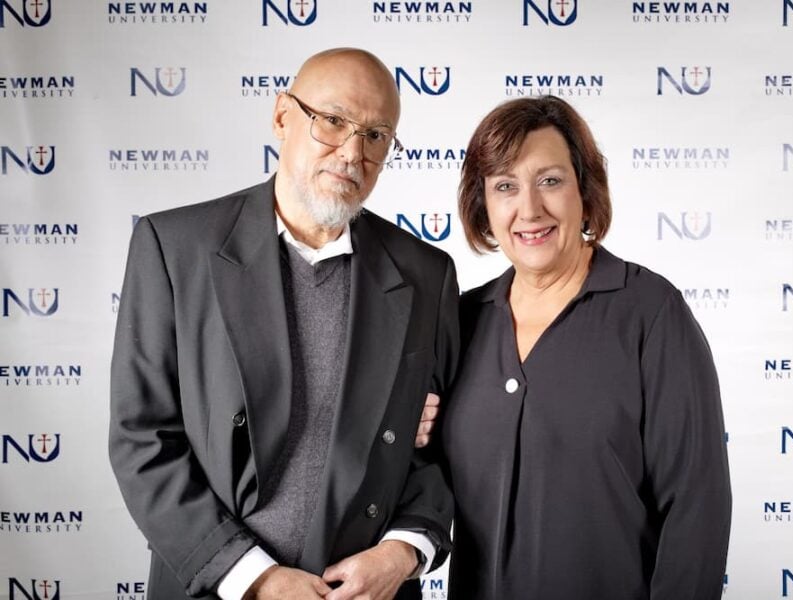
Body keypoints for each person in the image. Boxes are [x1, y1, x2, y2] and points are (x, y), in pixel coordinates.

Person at [109, 48, 458, 600]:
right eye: (333, 121)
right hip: (217, 586)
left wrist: (401, 552)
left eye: (375, 136)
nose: (352, 152)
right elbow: (143, 440)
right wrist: (255, 577)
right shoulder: (173, 248)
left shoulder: (426, 274)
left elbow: (438, 451)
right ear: (281, 116)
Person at [441, 95, 731, 599]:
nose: (529, 209)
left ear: (584, 190)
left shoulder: (650, 313)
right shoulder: (460, 321)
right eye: (505, 186)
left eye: (550, 181)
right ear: (483, 204)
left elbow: (696, 506)